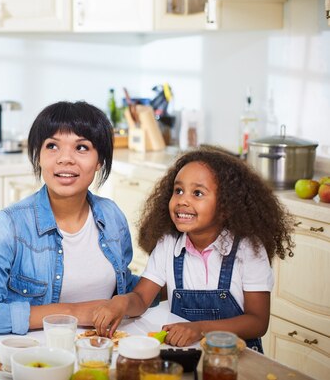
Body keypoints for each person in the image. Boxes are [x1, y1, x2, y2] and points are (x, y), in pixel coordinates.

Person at [0, 101, 140, 335]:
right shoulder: (9, 226)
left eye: (82, 147)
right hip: (36, 359)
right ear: (38, 157)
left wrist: (173, 280)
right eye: (52, 146)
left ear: (99, 162)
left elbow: (124, 286)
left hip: (97, 353)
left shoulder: (112, 216)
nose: (65, 159)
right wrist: (72, 313)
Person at [92, 146, 295, 352]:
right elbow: (142, 298)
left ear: (226, 205)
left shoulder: (248, 250)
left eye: (197, 193)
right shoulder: (168, 244)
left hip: (235, 358)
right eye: (178, 190)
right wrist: (122, 303)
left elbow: (257, 322)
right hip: (185, 355)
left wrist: (201, 329)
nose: (183, 200)